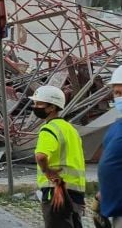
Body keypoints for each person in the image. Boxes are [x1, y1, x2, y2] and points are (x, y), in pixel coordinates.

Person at [31, 85, 86, 228]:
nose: (35, 107)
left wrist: (47, 171)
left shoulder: (49, 129)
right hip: (77, 192)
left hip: (56, 190)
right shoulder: (71, 129)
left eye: (39, 104)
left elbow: (41, 156)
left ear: (52, 107)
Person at [97, 66, 122, 227]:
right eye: (117, 93)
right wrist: (102, 193)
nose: (119, 97)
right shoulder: (116, 126)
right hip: (116, 212)